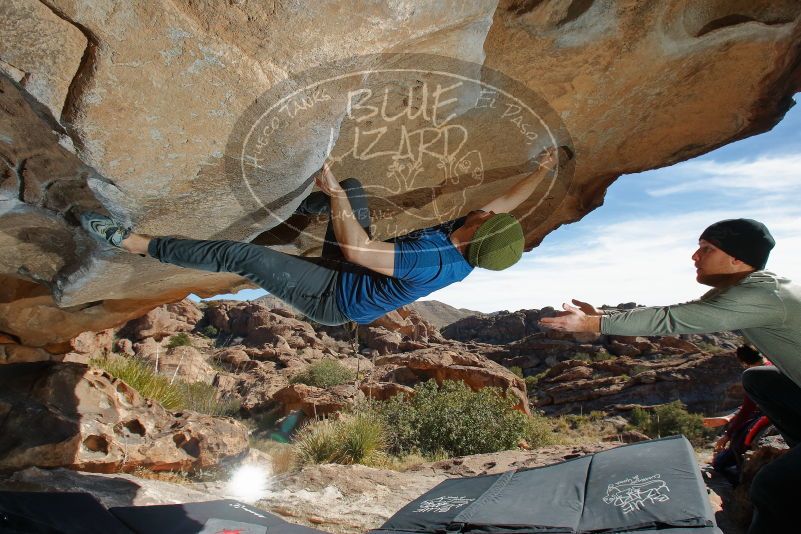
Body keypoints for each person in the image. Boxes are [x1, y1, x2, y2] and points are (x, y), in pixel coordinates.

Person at [80, 148, 563, 326]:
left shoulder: (431, 260)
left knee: (240, 255)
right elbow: (507, 204)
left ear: (475, 238)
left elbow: (358, 249)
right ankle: (304, 206)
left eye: (486, 219)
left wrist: (333, 197)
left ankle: (129, 242)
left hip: (334, 297)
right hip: (355, 268)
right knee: (353, 190)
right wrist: (540, 171)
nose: (485, 211)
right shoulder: (475, 234)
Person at [540, 218, 801, 534]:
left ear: (736, 258)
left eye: (707, 248)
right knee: (759, 379)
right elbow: (681, 313)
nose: (694, 256)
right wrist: (601, 318)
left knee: (774, 487)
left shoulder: (760, 296)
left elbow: (671, 320)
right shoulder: (752, 288)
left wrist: (593, 325)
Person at [703, 344, 770, 484]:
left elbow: (747, 409)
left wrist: (727, 435)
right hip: (775, 411)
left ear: (744, 362)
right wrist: (729, 418)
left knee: (735, 446)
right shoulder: (773, 364)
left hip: (770, 415)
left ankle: (736, 476)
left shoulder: (753, 375)